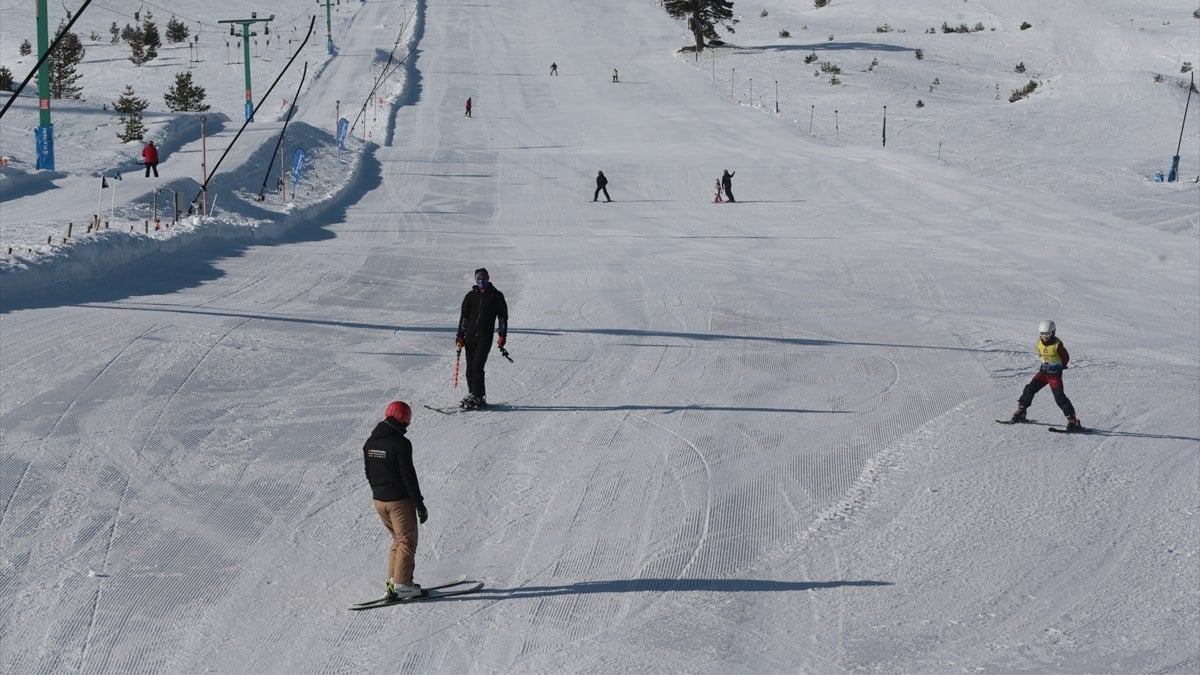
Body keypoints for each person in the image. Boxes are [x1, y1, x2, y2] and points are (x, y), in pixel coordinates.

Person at [363, 400, 428, 601]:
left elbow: (368, 472)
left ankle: (394, 583)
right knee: (407, 541)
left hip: (379, 501)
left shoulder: (370, 442)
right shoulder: (400, 443)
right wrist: (419, 503)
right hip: (399, 501)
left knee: (398, 541)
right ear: (404, 419)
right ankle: (403, 585)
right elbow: (408, 476)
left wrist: (379, 491)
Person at [1010, 320, 1081, 430]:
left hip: (1054, 376)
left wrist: (1061, 366)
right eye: (1042, 334)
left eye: (1047, 334)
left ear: (1053, 332)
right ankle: (1021, 411)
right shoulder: (1039, 343)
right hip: (1043, 373)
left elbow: (1065, 357)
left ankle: (1073, 420)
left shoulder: (1057, 345)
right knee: (1029, 389)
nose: (1045, 337)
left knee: (1059, 398)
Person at [456, 268, 508, 409]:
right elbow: (464, 319)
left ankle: (479, 396)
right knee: (470, 369)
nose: (482, 281)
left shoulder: (496, 296)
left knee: (477, 366)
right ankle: (473, 394)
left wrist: (502, 335)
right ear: (476, 280)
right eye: (479, 279)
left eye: (484, 278)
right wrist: (460, 336)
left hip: (485, 337)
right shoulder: (470, 296)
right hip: (470, 337)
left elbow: (502, 317)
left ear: (488, 279)